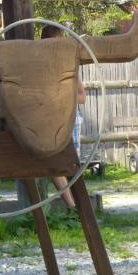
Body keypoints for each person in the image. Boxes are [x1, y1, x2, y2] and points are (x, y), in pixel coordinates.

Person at [40, 23, 87, 208]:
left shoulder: (69, 67)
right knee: (52, 163)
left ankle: (76, 206)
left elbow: (82, 97)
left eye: (58, 44)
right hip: (49, 121)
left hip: (70, 119)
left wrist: (62, 97)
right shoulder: (40, 68)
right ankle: (72, 205)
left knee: (70, 164)